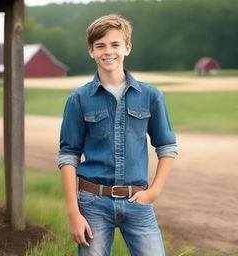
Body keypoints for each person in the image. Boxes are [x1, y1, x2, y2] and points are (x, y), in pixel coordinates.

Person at [58, 14, 178, 256]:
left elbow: (166, 147)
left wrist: (153, 191)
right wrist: (73, 212)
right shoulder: (78, 99)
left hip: (137, 202)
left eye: (115, 44)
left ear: (127, 48)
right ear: (91, 51)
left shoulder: (151, 96)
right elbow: (68, 155)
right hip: (92, 203)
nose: (108, 51)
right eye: (100, 46)